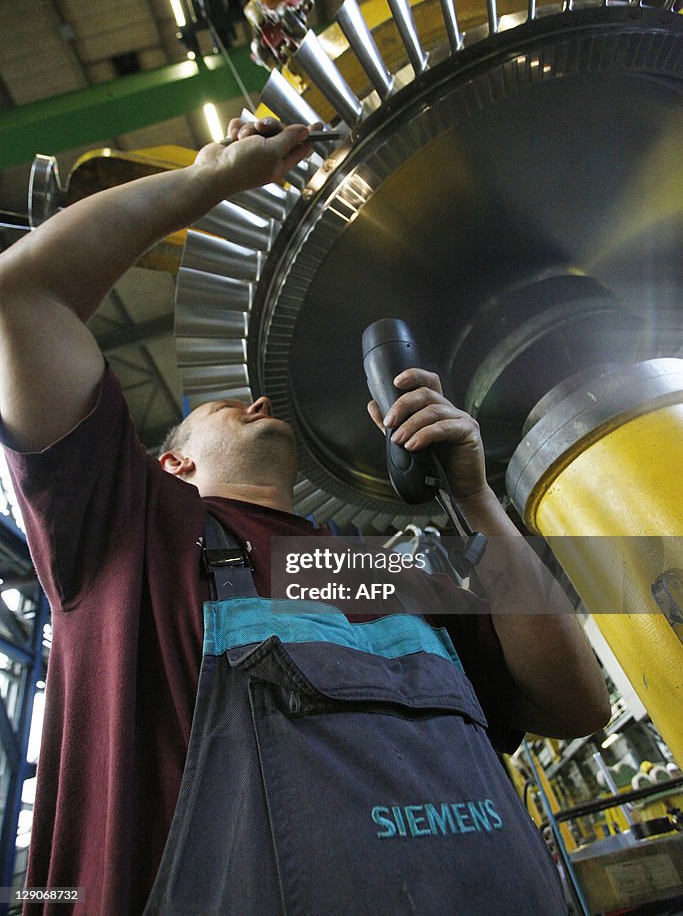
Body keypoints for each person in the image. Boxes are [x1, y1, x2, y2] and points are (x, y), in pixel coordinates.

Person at [0, 117, 610, 916]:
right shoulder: (132, 537)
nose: (255, 400)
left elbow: (574, 705)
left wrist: (474, 499)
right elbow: (23, 293)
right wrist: (208, 182)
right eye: (224, 408)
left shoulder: (382, 567)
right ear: (172, 465)